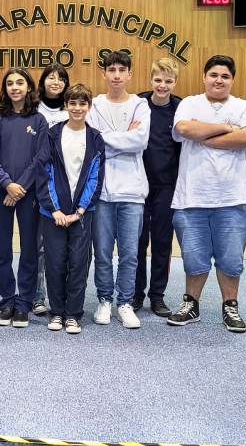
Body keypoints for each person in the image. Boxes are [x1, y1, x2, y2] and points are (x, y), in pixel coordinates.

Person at [168, 55, 246, 333]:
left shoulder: (244, 106)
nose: (219, 80)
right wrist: (226, 127)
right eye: (213, 75)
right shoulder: (189, 103)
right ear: (204, 77)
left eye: (225, 76)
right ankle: (191, 305)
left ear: (232, 80)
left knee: (231, 259)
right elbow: (184, 128)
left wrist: (204, 134)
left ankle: (230, 306)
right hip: (191, 198)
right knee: (193, 258)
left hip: (232, 200)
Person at [86, 50, 150, 329]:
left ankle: (124, 302)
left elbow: (140, 142)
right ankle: (104, 300)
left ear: (129, 74)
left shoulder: (140, 105)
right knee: (101, 252)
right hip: (102, 192)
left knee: (130, 254)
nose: (116, 75)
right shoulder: (95, 105)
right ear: (104, 73)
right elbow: (93, 144)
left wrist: (108, 140)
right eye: (111, 70)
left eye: (121, 70)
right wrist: (124, 138)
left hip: (133, 192)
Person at [36, 83, 104, 334]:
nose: (77, 108)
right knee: (54, 262)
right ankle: (56, 312)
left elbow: (95, 177)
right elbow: (43, 172)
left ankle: (73, 314)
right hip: (52, 213)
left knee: (78, 263)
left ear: (89, 106)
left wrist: (81, 210)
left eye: (82, 103)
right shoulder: (52, 134)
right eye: (72, 103)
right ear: (65, 105)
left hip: (81, 214)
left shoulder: (95, 138)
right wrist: (55, 209)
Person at [0, 68, 48, 327]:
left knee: (29, 250)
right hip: (1, 193)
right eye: (10, 83)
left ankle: (24, 303)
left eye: (20, 83)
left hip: (28, 193)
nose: (15, 87)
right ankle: (7, 301)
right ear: (5, 89)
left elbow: (41, 158)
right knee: (2, 249)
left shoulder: (39, 120)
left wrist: (20, 187)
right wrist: (7, 185)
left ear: (29, 87)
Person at [131, 58, 182, 318]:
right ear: (151, 80)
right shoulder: (138, 104)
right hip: (139, 185)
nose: (162, 85)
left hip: (167, 186)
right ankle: (136, 294)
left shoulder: (180, 108)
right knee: (137, 242)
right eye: (158, 80)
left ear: (175, 82)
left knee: (162, 242)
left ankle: (157, 295)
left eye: (168, 81)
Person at [31, 62, 71, 316]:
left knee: (62, 246)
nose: (56, 82)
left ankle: (62, 296)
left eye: (61, 78)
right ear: (43, 81)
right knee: (38, 246)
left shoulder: (72, 110)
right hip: (37, 185)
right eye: (51, 77)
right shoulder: (33, 110)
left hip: (65, 186)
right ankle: (38, 296)